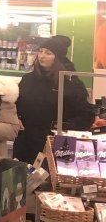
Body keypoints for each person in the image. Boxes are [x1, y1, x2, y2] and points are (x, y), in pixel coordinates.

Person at [13, 35, 95, 164]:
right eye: (40, 51)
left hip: (57, 144)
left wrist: (62, 129)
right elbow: (15, 104)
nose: (42, 56)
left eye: (48, 53)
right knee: (23, 175)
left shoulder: (70, 83)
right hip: (26, 142)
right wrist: (15, 118)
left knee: (53, 176)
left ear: (58, 57)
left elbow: (86, 115)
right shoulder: (27, 79)